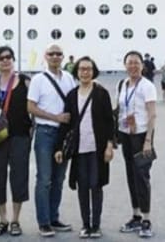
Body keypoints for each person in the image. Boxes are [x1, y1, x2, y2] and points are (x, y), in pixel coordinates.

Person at [55, 56, 115, 238]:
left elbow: (109, 122)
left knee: (96, 186)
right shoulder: (72, 95)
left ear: (93, 71)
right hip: (79, 150)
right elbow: (65, 124)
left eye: (88, 69)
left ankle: (96, 225)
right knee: (82, 187)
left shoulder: (101, 93)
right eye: (82, 69)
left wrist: (109, 146)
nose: (85, 72)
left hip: (97, 148)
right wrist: (59, 147)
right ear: (77, 72)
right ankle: (85, 224)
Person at [0, 46, 33, 237]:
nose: (5, 60)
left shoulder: (25, 81)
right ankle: (3, 220)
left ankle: (16, 219)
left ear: (13, 59)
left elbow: (33, 108)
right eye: (1, 58)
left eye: (8, 57)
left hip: (20, 136)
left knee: (19, 177)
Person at [27, 44, 76, 237]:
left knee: (58, 179)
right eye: (51, 54)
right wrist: (55, 117)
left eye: (58, 54)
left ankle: (54, 218)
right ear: (45, 57)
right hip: (46, 133)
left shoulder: (69, 78)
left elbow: (74, 102)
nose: (55, 56)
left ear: (63, 57)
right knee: (44, 178)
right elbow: (31, 107)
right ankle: (44, 222)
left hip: (64, 135)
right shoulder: (38, 80)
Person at [116, 50, 157, 238]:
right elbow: (120, 109)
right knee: (131, 175)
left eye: (136, 63)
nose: (133, 66)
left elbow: (152, 114)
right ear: (125, 65)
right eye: (129, 62)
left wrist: (148, 140)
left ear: (142, 65)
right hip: (126, 134)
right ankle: (136, 215)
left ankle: (147, 219)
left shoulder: (147, 86)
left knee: (141, 176)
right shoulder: (122, 84)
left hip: (141, 136)